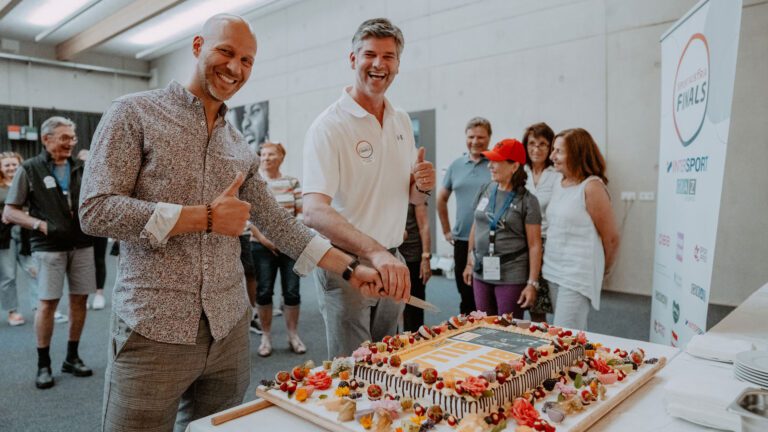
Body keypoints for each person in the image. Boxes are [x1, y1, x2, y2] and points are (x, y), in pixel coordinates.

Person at [79, 14, 385, 432]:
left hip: (228, 330)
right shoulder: (134, 113)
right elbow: (95, 209)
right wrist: (201, 218)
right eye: (225, 52)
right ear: (198, 46)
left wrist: (350, 269)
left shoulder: (238, 143)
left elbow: (279, 223)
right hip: (153, 329)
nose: (235, 68)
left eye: (246, 60)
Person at [303, 17, 436, 358]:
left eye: (388, 56)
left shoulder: (400, 119)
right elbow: (314, 211)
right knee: (353, 368)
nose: (379, 64)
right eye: (370, 54)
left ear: (398, 65)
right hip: (347, 265)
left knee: (385, 359)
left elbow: (411, 196)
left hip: (392, 259)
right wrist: (375, 252)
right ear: (353, 59)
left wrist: (422, 186)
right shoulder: (328, 126)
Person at [3, 116, 97, 390]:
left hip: (82, 244)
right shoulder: (29, 168)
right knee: (47, 303)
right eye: (65, 137)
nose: (71, 143)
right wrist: (40, 225)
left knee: (80, 301)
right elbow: (10, 211)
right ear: (47, 139)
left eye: (73, 138)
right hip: (48, 247)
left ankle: (71, 357)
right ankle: (43, 364)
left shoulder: (81, 167)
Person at [543, 128, 620, 330]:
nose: (551, 156)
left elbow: (611, 238)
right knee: (569, 332)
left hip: (577, 273)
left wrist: (603, 269)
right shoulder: (558, 182)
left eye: (558, 151)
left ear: (577, 154)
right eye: (553, 150)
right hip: (553, 269)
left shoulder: (592, 187)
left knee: (565, 334)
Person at [462, 139, 541, 318]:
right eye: (490, 160)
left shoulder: (528, 201)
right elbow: (476, 225)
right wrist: (469, 262)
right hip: (481, 272)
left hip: (511, 274)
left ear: (514, 166)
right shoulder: (485, 189)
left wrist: (532, 283)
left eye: (496, 161)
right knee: (484, 324)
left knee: (506, 328)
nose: (489, 165)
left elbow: (535, 245)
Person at [249, 141, 306, 356]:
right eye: (263, 154)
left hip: (290, 246)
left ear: (281, 157)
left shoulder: (292, 182)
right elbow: (248, 216)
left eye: (271, 154)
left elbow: (301, 215)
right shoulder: (254, 183)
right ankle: (265, 337)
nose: (266, 158)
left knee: (292, 291)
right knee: (264, 291)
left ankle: (293, 336)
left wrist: (286, 240)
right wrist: (265, 240)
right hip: (260, 245)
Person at [437, 117, 492, 315]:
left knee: (488, 298)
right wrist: (446, 230)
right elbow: (441, 199)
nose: (475, 141)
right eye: (471, 137)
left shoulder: (495, 164)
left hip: (489, 240)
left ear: (489, 138)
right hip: (461, 240)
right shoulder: (456, 165)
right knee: (466, 295)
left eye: (480, 137)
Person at [522, 122, 560, 322]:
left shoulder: (557, 175)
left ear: (550, 147)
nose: (536, 149)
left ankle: (547, 335)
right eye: (532, 143)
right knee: (527, 300)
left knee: (543, 301)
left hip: (548, 243)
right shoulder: (519, 172)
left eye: (542, 144)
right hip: (522, 242)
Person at [77, 150, 107, 310]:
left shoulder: (101, 177)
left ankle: (99, 293)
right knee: (82, 262)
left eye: (89, 160)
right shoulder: (75, 179)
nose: (86, 164)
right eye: (82, 161)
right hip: (79, 226)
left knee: (98, 259)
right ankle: (85, 294)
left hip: (98, 225)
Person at [398, 203, 431, 332]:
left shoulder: (416, 193)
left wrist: (426, 257)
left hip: (413, 256)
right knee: (390, 309)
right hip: (389, 254)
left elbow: (424, 226)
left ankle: (416, 338)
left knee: (414, 307)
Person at [0, 151, 25, 326]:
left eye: (14, 164)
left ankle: (42, 308)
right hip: (5, 235)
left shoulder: (26, 182)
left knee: (36, 270)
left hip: (27, 233)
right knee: (8, 275)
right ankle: (12, 311)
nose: (11, 168)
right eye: (7, 165)